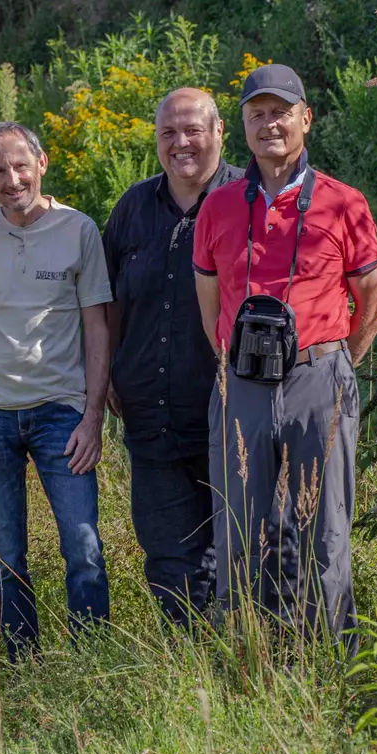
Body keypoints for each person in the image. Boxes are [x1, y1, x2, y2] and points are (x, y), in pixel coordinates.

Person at [192, 64, 377, 639]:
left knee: (323, 534)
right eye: (257, 114)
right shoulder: (218, 206)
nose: (269, 124)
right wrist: (236, 363)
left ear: (306, 118)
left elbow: (373, 303)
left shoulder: (344, 203)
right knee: (237, 535)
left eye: (280, 112)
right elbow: (209, 304)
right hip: (242, 388)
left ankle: (325, 662)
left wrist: (332, 362)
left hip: (318, 380)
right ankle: (249, 664)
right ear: (242, 128)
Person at [0, 121, 113, 661]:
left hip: (61, 414)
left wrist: (93, 416)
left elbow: (98, 327)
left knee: (83, 546)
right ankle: (20, 666)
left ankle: (91, 662)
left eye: (20, 165)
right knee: (6, 554)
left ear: (41, 164)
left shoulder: (79, 230)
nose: (11, 178)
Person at [103, 88, 243, 624]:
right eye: (168, 133)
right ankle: (189, 672)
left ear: (218, 131)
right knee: (167, 556)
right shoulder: (134, 207)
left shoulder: (247, 199)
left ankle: (243, 664)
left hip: (229, 409)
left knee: (242, 547)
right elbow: (108, 298)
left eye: (192, 130)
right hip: (149, 413)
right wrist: (110, 370)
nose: (180, 143)